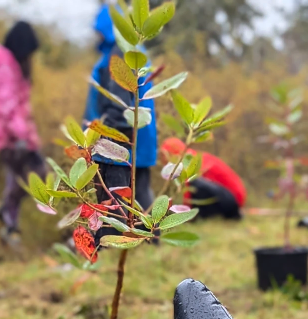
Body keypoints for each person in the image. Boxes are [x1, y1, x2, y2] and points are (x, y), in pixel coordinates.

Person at [87, 5, 157, 216]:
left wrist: (102, 144)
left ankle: (117, 247)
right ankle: (151, 246)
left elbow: (119, 109)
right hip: (138, 145)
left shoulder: (119, 56)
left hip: (117, 150)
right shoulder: (132, 52)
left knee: (115, 212)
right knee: (142, 206)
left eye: (99, 28)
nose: (96, 33)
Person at [0, 21, 44, 246]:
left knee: (19, 178)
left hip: (16, 131)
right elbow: (8, 106)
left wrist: (29, 133)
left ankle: (8, 220)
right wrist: (23, 136)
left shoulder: (15, 64)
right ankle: (9, 220)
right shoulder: (5, 65)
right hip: (8, 134)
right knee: (34, 173)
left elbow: (21, 106)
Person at [160, 138, 246, 220]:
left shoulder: (190, 161)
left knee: (195, 182)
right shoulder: (194, 156)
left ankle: (230, 214)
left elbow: (187, 190)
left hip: (232, 200)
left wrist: (184, 215)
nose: (163, 159)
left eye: (164, 155)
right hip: (230, 197)